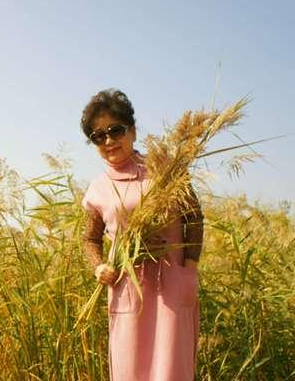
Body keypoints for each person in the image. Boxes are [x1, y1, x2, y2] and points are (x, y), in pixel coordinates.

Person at [80, 89, 204, 381]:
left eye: (115, 130)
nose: (108, 141)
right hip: (127, 288)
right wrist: (98, 266)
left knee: (171, 367)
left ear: (133, 131)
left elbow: (194, 218)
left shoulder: (165, 170)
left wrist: (189, 271)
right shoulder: (99, 187)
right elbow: (90, 238)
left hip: (171, 285)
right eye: (98, 136)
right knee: (129, 370)